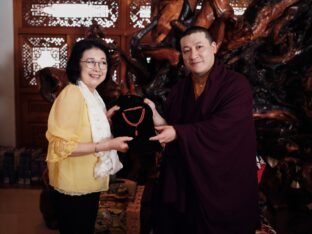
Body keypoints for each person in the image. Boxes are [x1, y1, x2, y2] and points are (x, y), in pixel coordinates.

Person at [145, 26, 259, 234]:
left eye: (199, 47)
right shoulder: (180, 89)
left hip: (224, 181)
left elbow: (224, 127)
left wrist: (178, 133)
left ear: (213, 47)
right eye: (186, 50)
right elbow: (173, 128)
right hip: (187, 181)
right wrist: (155, 115)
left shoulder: (236, 85)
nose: (193, 55)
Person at [45, 39, 132, 234]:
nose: (98, 68)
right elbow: (62, 147)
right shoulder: (73, 94)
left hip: (87, 181)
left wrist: (105, 118)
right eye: (90, 62)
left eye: (103, 62)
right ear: (77, 64)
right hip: (73, 186)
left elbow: (83, 126)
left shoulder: (92, 95)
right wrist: (107, 145)